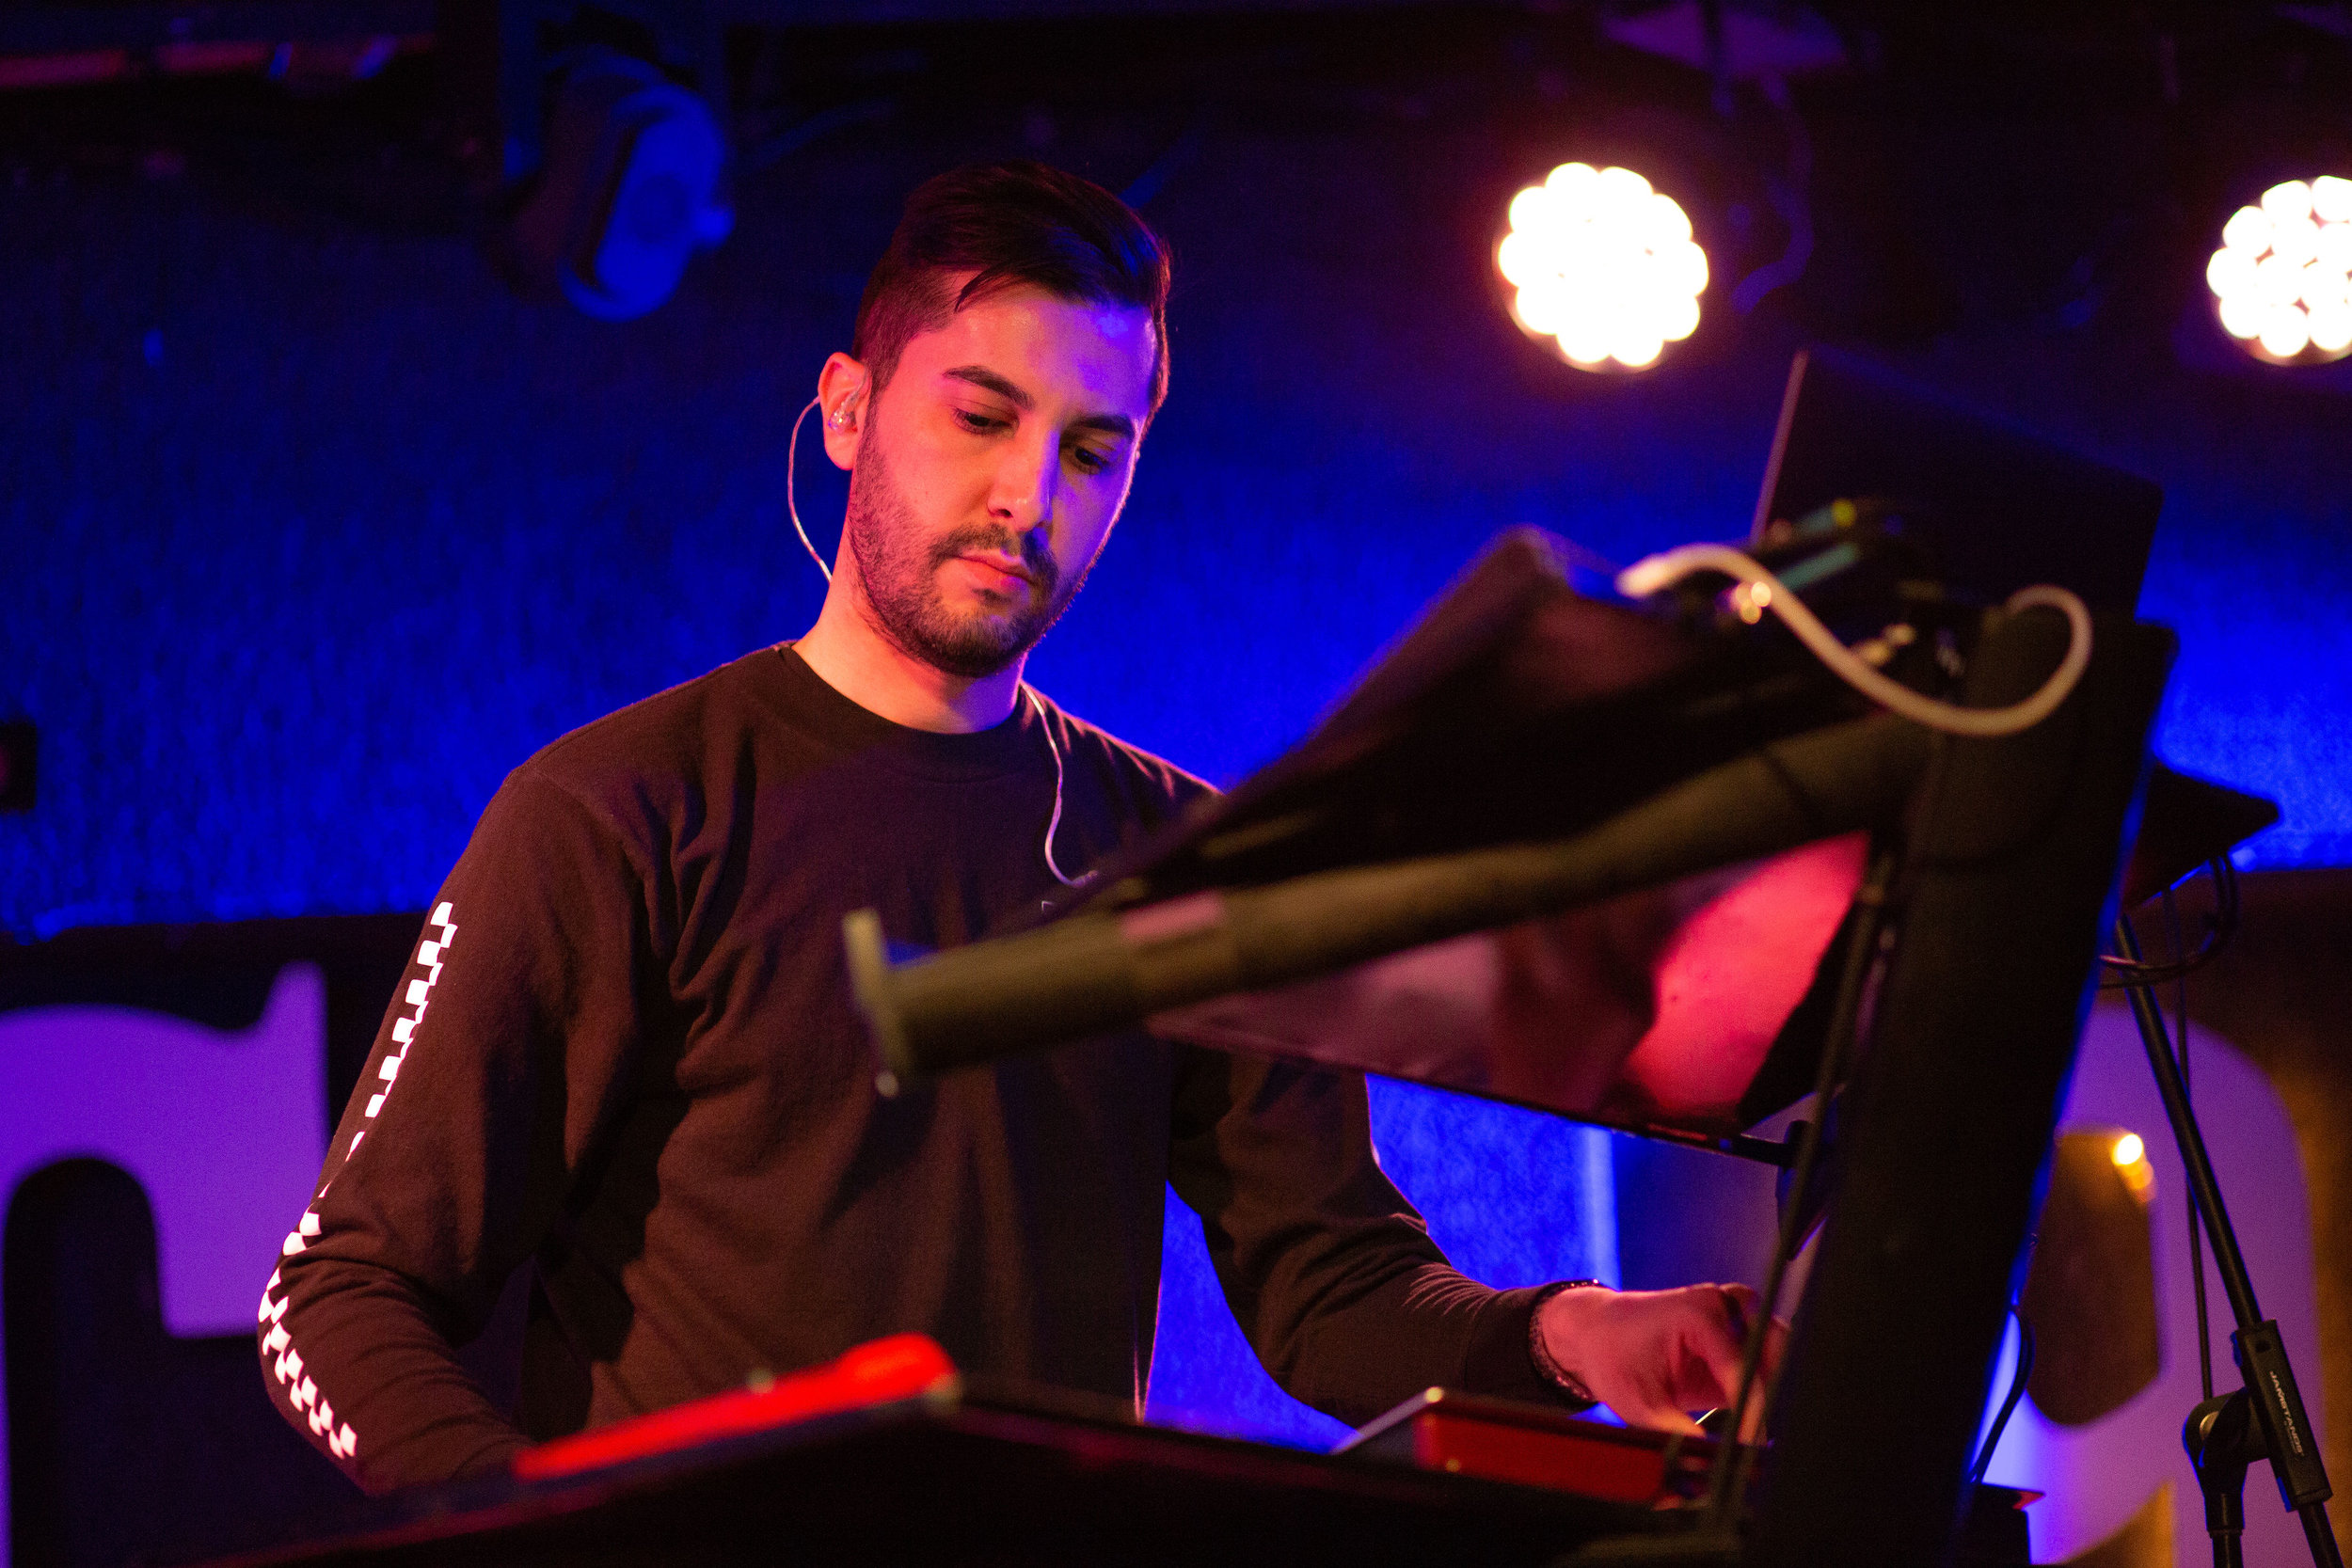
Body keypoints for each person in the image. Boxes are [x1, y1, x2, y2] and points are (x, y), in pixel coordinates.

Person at [259, 160, 1776, 1496]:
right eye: (981, 416)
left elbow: (1330, 1291)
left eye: (1091, 450)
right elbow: (339, 1299)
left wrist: (1571, 1333)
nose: (1026, 494)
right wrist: (536, 1535)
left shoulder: (1183, 856)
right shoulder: (618, 812)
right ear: (847, 409)